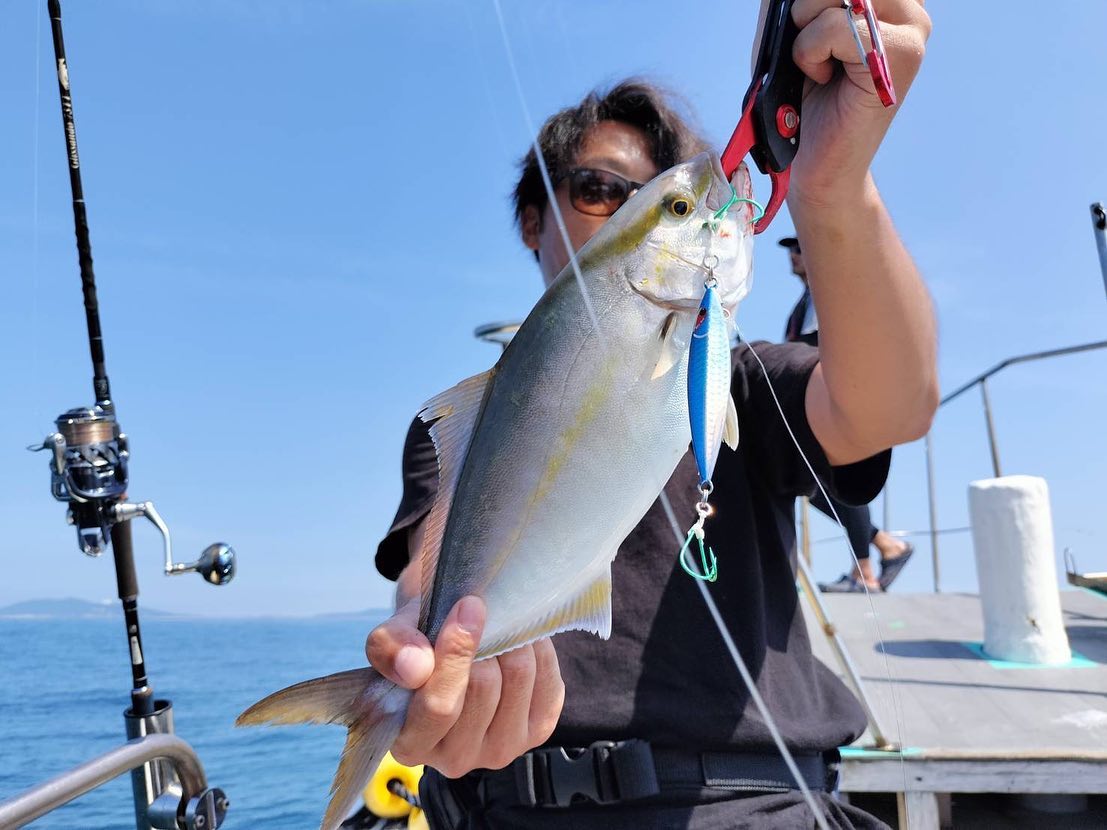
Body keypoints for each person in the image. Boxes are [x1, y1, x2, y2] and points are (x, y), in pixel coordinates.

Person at [367, 1, 936, 827]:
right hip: (510, 805)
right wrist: (429, 664)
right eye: (598, 189)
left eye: (653, 198)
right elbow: (433, 571)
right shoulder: (462, 417)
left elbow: (892, 403)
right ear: (534, 219)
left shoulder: (733, 381)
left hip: (747, 802)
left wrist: (833, 183)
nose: (626, 210)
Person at [780, 236, 916, 593]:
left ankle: (866, 574)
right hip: (816, 402)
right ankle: (886, 545)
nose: (793, 256)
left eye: (800, 248)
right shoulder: (803, 304)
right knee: (811, 486)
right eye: (791, 250)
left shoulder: (834, 290)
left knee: (842, 481)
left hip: (842, 400)